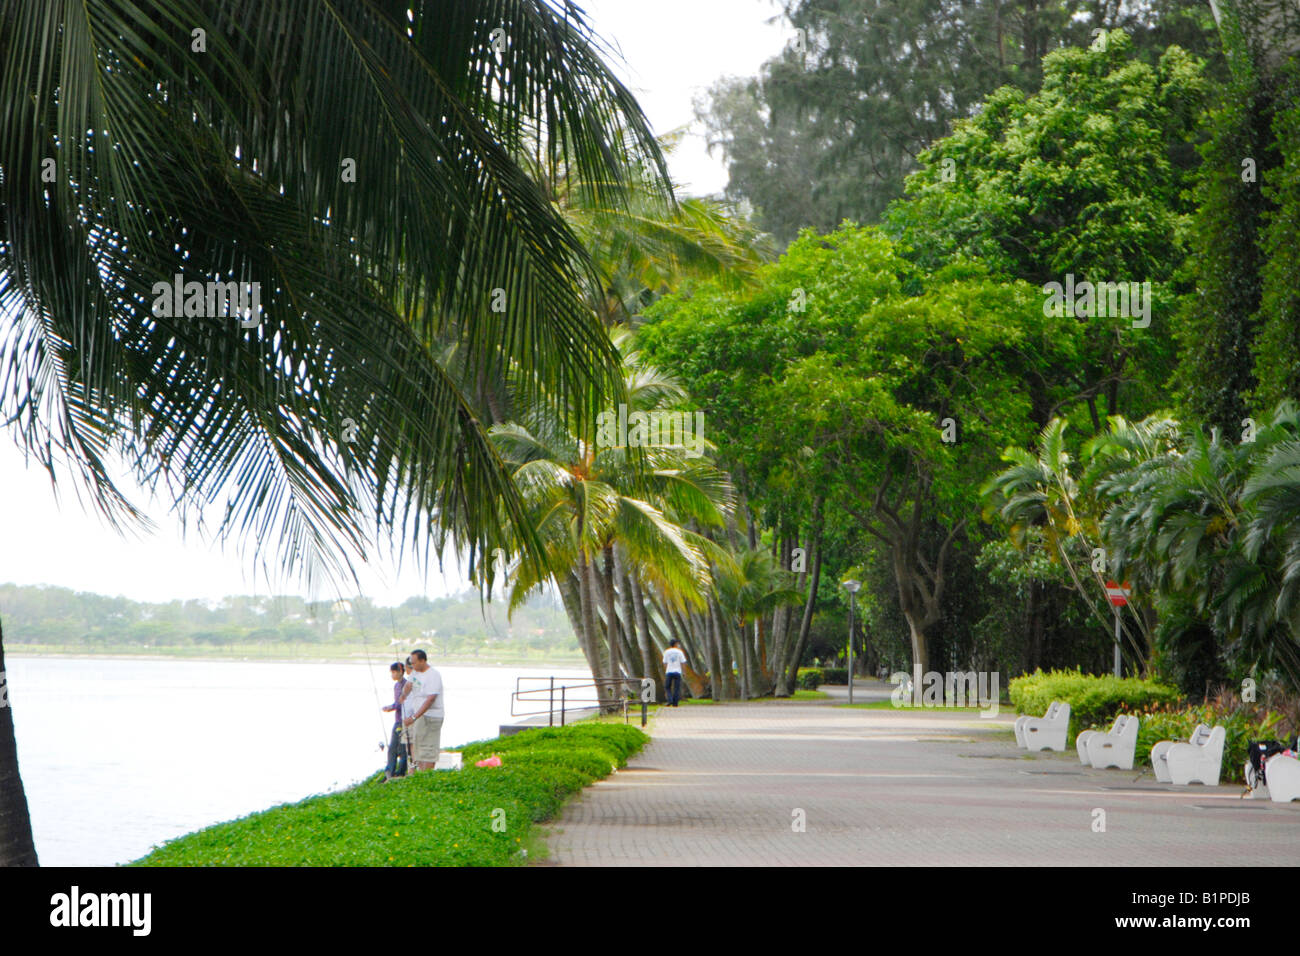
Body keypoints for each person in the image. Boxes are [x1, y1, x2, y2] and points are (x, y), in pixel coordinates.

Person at [401, 649, 444, 771]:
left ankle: (427, 777)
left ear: (422, 660)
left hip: (431, 717)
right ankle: (419, 774)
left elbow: (430, 699)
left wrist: (414, 717)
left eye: (414, 663)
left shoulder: (433, 675)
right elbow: (408, 685)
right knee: (418, 748)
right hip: (419, 717)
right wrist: (404, 693)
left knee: (428, 749)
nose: (412, 666)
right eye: (411, 663)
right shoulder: (415, 673)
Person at [381, 662, 407, 780]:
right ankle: (390, 772)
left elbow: (402, 703)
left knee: (400, 748)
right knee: (393, 748)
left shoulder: (406, 685)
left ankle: (399, 771)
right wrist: (391, 706)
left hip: (404, 720)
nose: (392, 675)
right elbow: (397, 703)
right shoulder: (396, 686)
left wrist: (391, 707)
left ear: (401, 671)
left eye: (394, 672)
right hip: (398, 719)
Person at [662, 639, 687, 707]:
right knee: (676, 688)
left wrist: (666, 670)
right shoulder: (679, 652)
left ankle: (670, 700)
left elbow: (664, 663)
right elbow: (683, 662)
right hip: (677, 672)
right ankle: (675, 703)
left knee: (667, 687)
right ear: (675, 644)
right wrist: (684, 671)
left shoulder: (667, 652)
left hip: (669, 671)